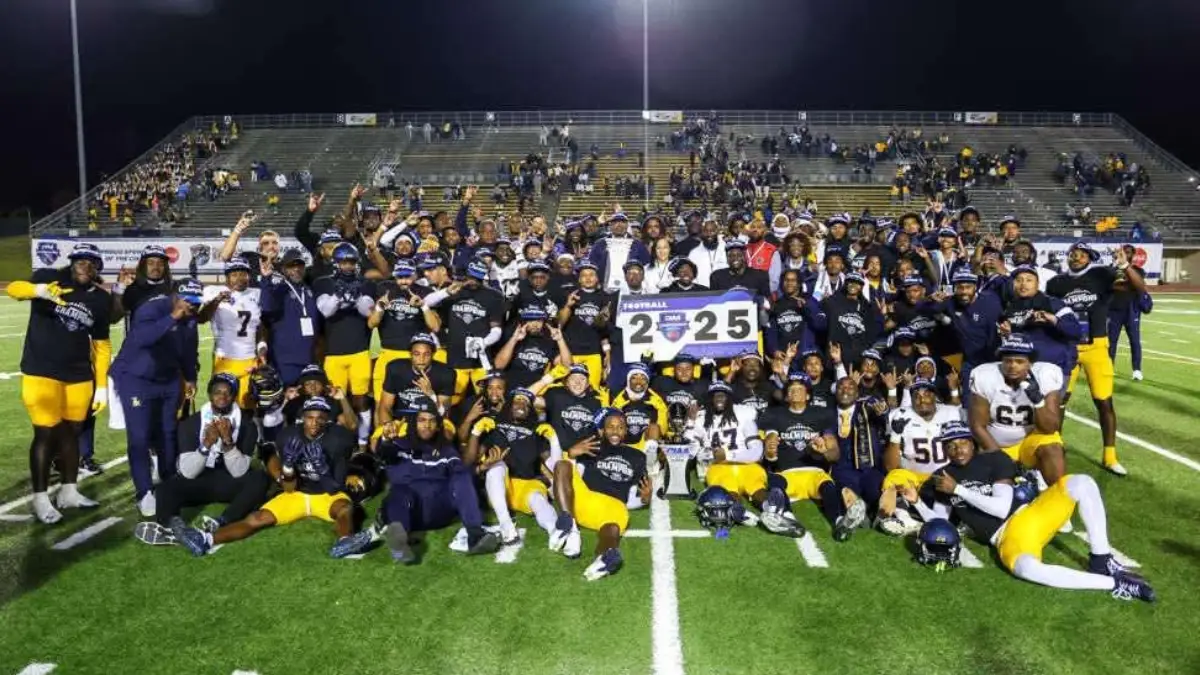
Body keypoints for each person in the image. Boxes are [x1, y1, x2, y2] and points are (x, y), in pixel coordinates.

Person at [907, 421, 1155, 602]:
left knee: (1081, 482)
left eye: (962, 442)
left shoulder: (992, 460)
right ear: (944, 450)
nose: (958, 449)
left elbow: (1001, 507)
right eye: (951, 446)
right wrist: (917, 502)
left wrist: (958, 489)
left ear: (972, 443)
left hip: (1032, 514)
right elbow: (940, 521)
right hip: (1006, 537)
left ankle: (1101, 559)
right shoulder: (942, 476)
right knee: (1027, 569)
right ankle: (1113, 583)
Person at [173, 398, 375, 559]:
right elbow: (288, 488)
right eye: (310, 417)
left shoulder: (338, 439)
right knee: (257, 518)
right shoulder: (289, 436)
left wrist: (321, 468)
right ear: (302, 418)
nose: (314, 423)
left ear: (327, 420)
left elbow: (334, 487)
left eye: (320, 418)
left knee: (345, 509)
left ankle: (344, 541)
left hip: (326, 495)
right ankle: (205, 539)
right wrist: (287, 466)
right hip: (297, 494)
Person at [8, 243, 113, 523]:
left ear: (98, 268)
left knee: (72, 433)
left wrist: (102, 385)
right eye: (80, 260)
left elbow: (102, 344)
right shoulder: (49, 277)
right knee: (46, 434)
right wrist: (37, 290)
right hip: (41, 371)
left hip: (79, 375)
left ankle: (69, 491)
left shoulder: (100, 299)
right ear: (72, 261)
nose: (84, 266)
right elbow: (14, 289)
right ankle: (40, 498)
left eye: (91, 262)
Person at [134, 374, 271, 545]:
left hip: (230, 481)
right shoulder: (191, 423)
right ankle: (172, 529)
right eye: (217, 392)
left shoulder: (247, 425)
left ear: (234, 396)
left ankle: (222, 522)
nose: (222, 397)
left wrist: (228, 442)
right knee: (165, 488)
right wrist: (205, 445)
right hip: (199, 480)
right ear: (209, 395)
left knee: (260, 479)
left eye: (227, 393)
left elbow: (238, 472)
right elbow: (187, 472)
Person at [1046, 243, 1145, 476]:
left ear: (1090, 258)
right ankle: (1054, 447)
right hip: (1067, 347)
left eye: (1082, 254)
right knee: (1058, 402)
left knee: (1104, 401)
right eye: (1073, 253)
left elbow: (1138, 287)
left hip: (1096, 347)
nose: (1077, 257)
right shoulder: (1056, 283)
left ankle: (1110, 456)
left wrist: (1124, 265)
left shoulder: (1101, 275)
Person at [374, 395, 501, 562]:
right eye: (422, 420)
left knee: (461, 477)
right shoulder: (397, 445)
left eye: (432, 421)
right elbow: (384, 454)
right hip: (409, 511)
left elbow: (461, 474)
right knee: (400, 492)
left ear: (438, 424)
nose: (427, 425)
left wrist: (480, 468)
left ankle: (476, 536)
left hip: (439, 510)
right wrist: (386, 441)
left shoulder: (445, 449)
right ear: (412, 421)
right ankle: (399, 543)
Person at [549, 408, 651, 581]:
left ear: (626, 431)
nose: (615, 431)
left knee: (612, 530)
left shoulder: (638, 457)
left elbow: (636, 496)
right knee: (562, 465)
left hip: (613, 506)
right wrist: (572, 455)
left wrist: (645, 499)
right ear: (602, 430)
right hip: (584, 498)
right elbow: (567, 475)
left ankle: (604, 558)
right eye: (610, 427)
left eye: (620, 427)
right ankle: (571, 529)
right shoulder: (592, 446)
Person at [760, 373, 862, 541]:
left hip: (815, 473)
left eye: (800, 389)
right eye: (791, 390)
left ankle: (840, 521)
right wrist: (770, 451)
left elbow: (835, 454)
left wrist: (823, 452)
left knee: (828, 486)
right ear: (786, 396)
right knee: (775, 484)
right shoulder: (775, 415)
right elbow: (770, 450)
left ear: (808, 395)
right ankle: (786, 519)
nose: (795, 392)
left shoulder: (821, 415)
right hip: (787, 473)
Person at [969, 334, 1067, 485]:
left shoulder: (1045, 375)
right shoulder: (986, 376)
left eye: (1020, 361)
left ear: (1030, 363)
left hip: (1030, 440)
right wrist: (1000, 458)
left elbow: (1050, 428)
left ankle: (1057, 495)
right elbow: (977, 426)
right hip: (995, 445)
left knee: (1053, 448)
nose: (1012, 366)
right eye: (1008, 361)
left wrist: (1038, 400)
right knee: (996, 488)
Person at [471, 389, 562, 545]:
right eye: (517, 401)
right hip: (500, 487)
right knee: (497, 465)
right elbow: (471, 460)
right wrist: (476, 432)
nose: (521, 405)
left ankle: (556, 532)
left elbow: (555, 467)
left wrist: (554, 440)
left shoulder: (536, 429)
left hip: (527, 485)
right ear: (509, 405)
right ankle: (506, 525)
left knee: (539, 500)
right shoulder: (495, 424)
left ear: (530, 409)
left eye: (526, 403)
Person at [875, 379, 962, 535]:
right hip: (914, 479)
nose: (922, 399)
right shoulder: (899, 415)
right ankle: (905, 520)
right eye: (916, 396)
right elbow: (890, 466)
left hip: (944, 477)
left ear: (935, 396)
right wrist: (895, 435)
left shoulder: (951, 413)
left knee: (942, 520)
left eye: (927, 394)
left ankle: (944, 520)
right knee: (894, 476)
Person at [313, 243, 377, 446]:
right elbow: (326, 311)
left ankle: (362, 443)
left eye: (351, 262)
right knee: (334, 400)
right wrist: (338, 295)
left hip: (360, 349)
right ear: (335, 263)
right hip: (334, 352)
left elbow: (368, 312)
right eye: (344, 262)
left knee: (361, 399)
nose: (348, 266)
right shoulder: (324, 283)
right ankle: (335, 441)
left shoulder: (365, 283)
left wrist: (356, 296)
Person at [424, 260, 507, 405]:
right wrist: (446, 292)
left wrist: (484, 342)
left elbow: (496, 329)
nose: (473, 281)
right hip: (455, 359)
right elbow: (425, 302)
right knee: (450, 401)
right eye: (471, 277)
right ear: (466, 274)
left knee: (487, 401)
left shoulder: (494, 296)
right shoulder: (453, 290)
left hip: (481, 360)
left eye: (478, 278)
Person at [368, 259, 440, 402]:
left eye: (407, 277)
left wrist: (423, 306)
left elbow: (435, 327)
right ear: (395, 276)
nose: (404, 281)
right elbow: (371, 324)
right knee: (381, 402)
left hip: (414, 356)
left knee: (412, 402)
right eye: (400, 277)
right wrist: (380, 307)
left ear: (414, 275)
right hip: (387, 353)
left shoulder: (425, 292)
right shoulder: (384, 289)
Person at [198, 257, 264, 410]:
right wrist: (217, 300)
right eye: (234, 274)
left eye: (243, 274)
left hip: (250, 359)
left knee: (247, 406)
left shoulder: (256, 294)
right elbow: (201, 318)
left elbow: (260, 325)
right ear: (226, 277)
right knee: (222, 406)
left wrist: (262, 348)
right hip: (225, 358)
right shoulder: (214, 292)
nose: (239, 278)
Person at [259, 249, 320, 386]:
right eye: (291, 266)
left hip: (308, 360)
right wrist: (266, 279)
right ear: (284, 269)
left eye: (300, 265)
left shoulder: (309, 290)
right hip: (285, 361)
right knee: (287, 396)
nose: (296, 269)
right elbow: (267, 306)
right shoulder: (280, 288)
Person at [493, 306, 573, 391]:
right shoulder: (513, 338)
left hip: (535, 390)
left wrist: (560, 340)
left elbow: (567, 366)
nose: (535, 324)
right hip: (511, 388)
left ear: (544, 322)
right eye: (531, 320)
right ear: (524, 322)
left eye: (539, 321)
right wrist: (514, 339)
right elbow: (498, 366)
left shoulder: (549, 342)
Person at [1107, 245, 1149, 381]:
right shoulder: (1112, 269)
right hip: (1114, 310)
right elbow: (1108, 286)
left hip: (1132, 310)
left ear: (1133, 255)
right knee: (1111, 341)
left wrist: (1121, 285)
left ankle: (1137, 370)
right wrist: (1127, 285)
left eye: (1128, 252)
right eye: (1123, 252)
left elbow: (1138, 285)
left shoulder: (1138, 270)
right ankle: (1109, 367)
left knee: (1134, 341)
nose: (1125, 254)